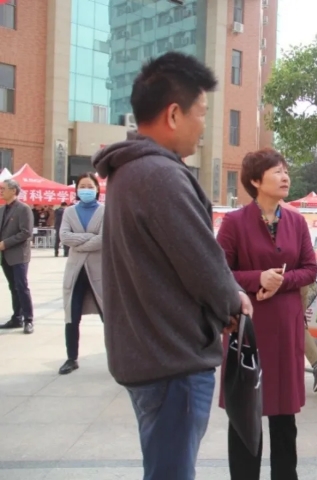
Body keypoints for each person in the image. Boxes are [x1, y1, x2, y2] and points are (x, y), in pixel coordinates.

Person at [92, 52, 252, 480]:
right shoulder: (160, 176)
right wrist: (233, 303)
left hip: (148, 353)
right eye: (202, 112)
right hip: (171, 361)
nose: (204, 125)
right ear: (174, 114)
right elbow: (204, 265)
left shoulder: (129, 171)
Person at [217, 148, 317, 480]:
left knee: (284, 416)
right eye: (277, 171)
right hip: (249, 328)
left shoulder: (296, 221)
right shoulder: (234, 222)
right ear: (256, 181)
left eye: (286, 170)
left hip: (286, 327)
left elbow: (310, 269)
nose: (285, 176)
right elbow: (218, 272)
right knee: (245, 411)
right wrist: (256, 278)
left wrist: (281, 282)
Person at [58, 174, 105, 375]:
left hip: (99, 271)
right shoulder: (69, 212)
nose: (86, 189)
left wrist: (79, 243)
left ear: (97, 189)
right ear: (77, 190)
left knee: (108, 315)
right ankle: (71, 358)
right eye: (82, 186)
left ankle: (117, 357)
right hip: (75, 271)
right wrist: (89, 238)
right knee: (72, 315)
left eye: (90, 186)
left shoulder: (105, 211)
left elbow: (104, 238)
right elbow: (64, 236)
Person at [0, 179, 35, 334]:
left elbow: (26, 232)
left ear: (13, 190)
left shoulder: (23, 209)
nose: (1, 191)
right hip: (5, 256)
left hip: (19, 254)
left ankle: (28, 320)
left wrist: (5, 243)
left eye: (3, 188)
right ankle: (17, 318)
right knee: (13, 287)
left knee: (22, 286)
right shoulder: (2, 209)